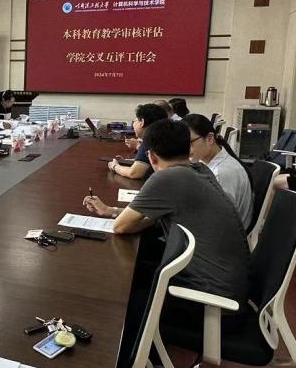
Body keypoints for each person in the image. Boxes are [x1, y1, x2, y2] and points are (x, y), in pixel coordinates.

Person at [84, 119, 250, 306]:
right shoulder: (199, 169)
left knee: (118, 286)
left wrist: (119, 216)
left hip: (212, 294)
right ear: (188, 149)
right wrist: (112, 210)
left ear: (151, 157)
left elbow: (120, 227)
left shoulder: (167, 178)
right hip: (231, 285)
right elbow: (154, 217)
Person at [184, 114, 253, 230]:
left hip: (225, 236)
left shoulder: (222, 173)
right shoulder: (206, 160)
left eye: (189, 143)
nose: (185, 149)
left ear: (210, 139)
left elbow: (219, 221)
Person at [109, 102, 168, 181]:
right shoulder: (163, 137)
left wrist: (115, 166)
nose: (133, 124)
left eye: (135, 120)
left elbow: (134, 173)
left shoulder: (149, 140)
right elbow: (148, 162)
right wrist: (128, 161)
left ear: (142, 122)